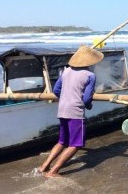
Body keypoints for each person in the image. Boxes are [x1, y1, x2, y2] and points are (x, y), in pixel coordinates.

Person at [38, 45, 104, 178]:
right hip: (75, 111)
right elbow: (86, 99)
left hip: (62, 109)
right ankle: (53, 171)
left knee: (62, 141)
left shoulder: (65, 71)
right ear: (90, 62)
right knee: (76, 144)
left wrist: (67, 97)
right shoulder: (90, 75)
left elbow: (56, 91)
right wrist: (89, 105)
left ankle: (44, 166)